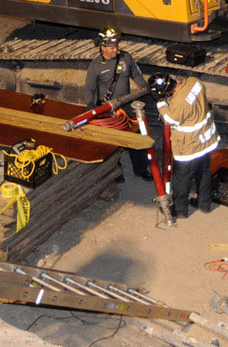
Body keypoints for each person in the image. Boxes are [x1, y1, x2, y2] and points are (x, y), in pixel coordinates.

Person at [82, 27, 152, 181]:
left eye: (117, 46)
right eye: (112, 47)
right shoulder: (95, 66)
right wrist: (89, 104)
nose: (115, 50)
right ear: (102, 47)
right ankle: (116, 171)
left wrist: (146, 89)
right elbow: (89, 88)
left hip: (126, 105)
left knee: (137, 136)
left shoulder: (126, 58)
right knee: (111, 142)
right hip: (108, 109)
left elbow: (137, 76)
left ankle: (141, 169)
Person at [150, 71, 218, 222]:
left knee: (181, 179)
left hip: (189, 148)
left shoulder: (178, 103)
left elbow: (170, 119)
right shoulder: (195, 82)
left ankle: (180, 210)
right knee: (204, 172)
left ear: (166, 92)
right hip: (206, 141)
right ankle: (204, 204)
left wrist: (161, 103)